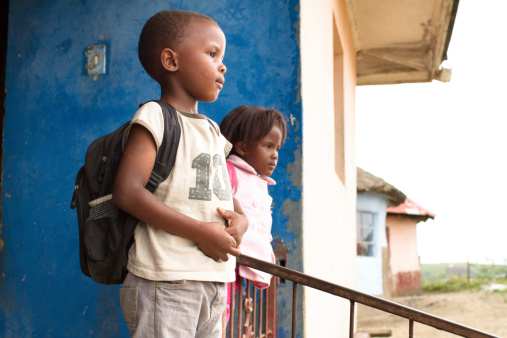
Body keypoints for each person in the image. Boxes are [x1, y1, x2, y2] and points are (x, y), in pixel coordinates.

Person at [112, 10, 248, 338]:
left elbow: (221, 193)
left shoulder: (214, 131)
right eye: (212, 53)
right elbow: (128, 191)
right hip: (166, 281)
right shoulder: (155, 116)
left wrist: (241, 220)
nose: (222, 65)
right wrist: (201, 231)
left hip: (214, 281)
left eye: (222, 57)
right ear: (171, 61)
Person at [219, 105, 287, 323]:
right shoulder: (228, 172)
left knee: (226, 316)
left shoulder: (260, 183)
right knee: (219, 315)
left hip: (238, 269)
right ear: (242, 147)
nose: (275, 155)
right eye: (268, 146)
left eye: (277, 148)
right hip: (222, 262)